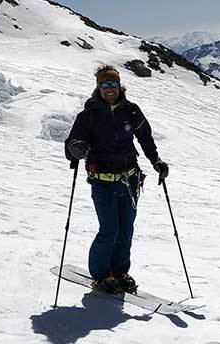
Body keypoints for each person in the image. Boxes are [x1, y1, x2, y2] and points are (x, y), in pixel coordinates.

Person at [64, 65, 169, 294]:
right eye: (104, 85)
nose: (109, 89)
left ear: (119, 85)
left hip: (130, 180)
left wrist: (156, 161)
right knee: (110, 229)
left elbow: (145, 138)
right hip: (102, 181)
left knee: (126, 229)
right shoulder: (88, 116)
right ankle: (101, 275)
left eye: (112, 84)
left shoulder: (131, 111)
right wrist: (76, 148)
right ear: (98, 87)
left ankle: (120, 271)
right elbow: (71, 143)